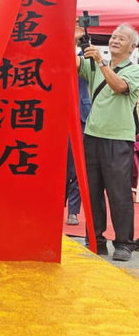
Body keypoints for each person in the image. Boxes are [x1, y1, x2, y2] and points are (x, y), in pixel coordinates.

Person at [75, 23, 139, 262]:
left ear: (132, 47)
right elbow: (71, 63)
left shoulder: (134, 70)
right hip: (92, 136)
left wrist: (101, 62)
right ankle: (95, 240)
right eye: (113, 37)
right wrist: (74, 40)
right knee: (92, 192)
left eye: (121, 39)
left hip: (118, 139)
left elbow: (119, 86)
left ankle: (123, 243)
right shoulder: (94, 64)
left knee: (119, 193)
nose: (114, 41)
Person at [66, 75, 91, 226]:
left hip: (81, 116)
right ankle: (54, 208)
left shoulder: (87, 63)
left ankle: (73, 210)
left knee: (77, 166)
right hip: (55, 114)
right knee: (57, 167)